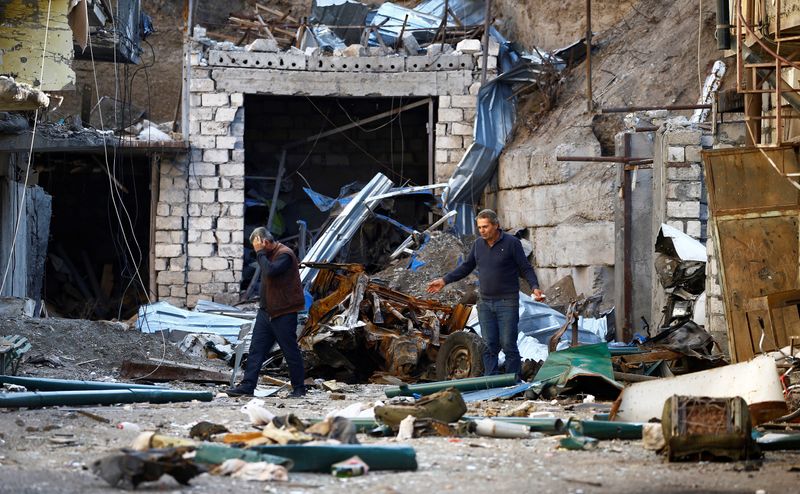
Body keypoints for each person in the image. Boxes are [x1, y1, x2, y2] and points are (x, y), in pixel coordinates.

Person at [427, 209, 544, 380]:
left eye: (485, 227)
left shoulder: (512, 243)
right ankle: (491, 382)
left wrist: (535, 287)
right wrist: (444, 280)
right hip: (485, 303)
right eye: (479, 227)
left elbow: (525, 267)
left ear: (496, 225)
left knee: (508, 344)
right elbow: (466, 267)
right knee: (489, 346)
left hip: (507, 302)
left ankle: (513, 382)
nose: (482, 230)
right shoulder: (478, 245)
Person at [226, 227, 307, 397]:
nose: (258, 251)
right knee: (257, 349)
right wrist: (262, 253)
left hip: (284, 312)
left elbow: (270, 270)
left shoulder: (285, 254)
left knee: (289, 350)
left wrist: (260, 252)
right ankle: (248, 386)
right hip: (266, 312)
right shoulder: (268, 255)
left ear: (266, 242)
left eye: (259, 246)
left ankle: (299, 388)